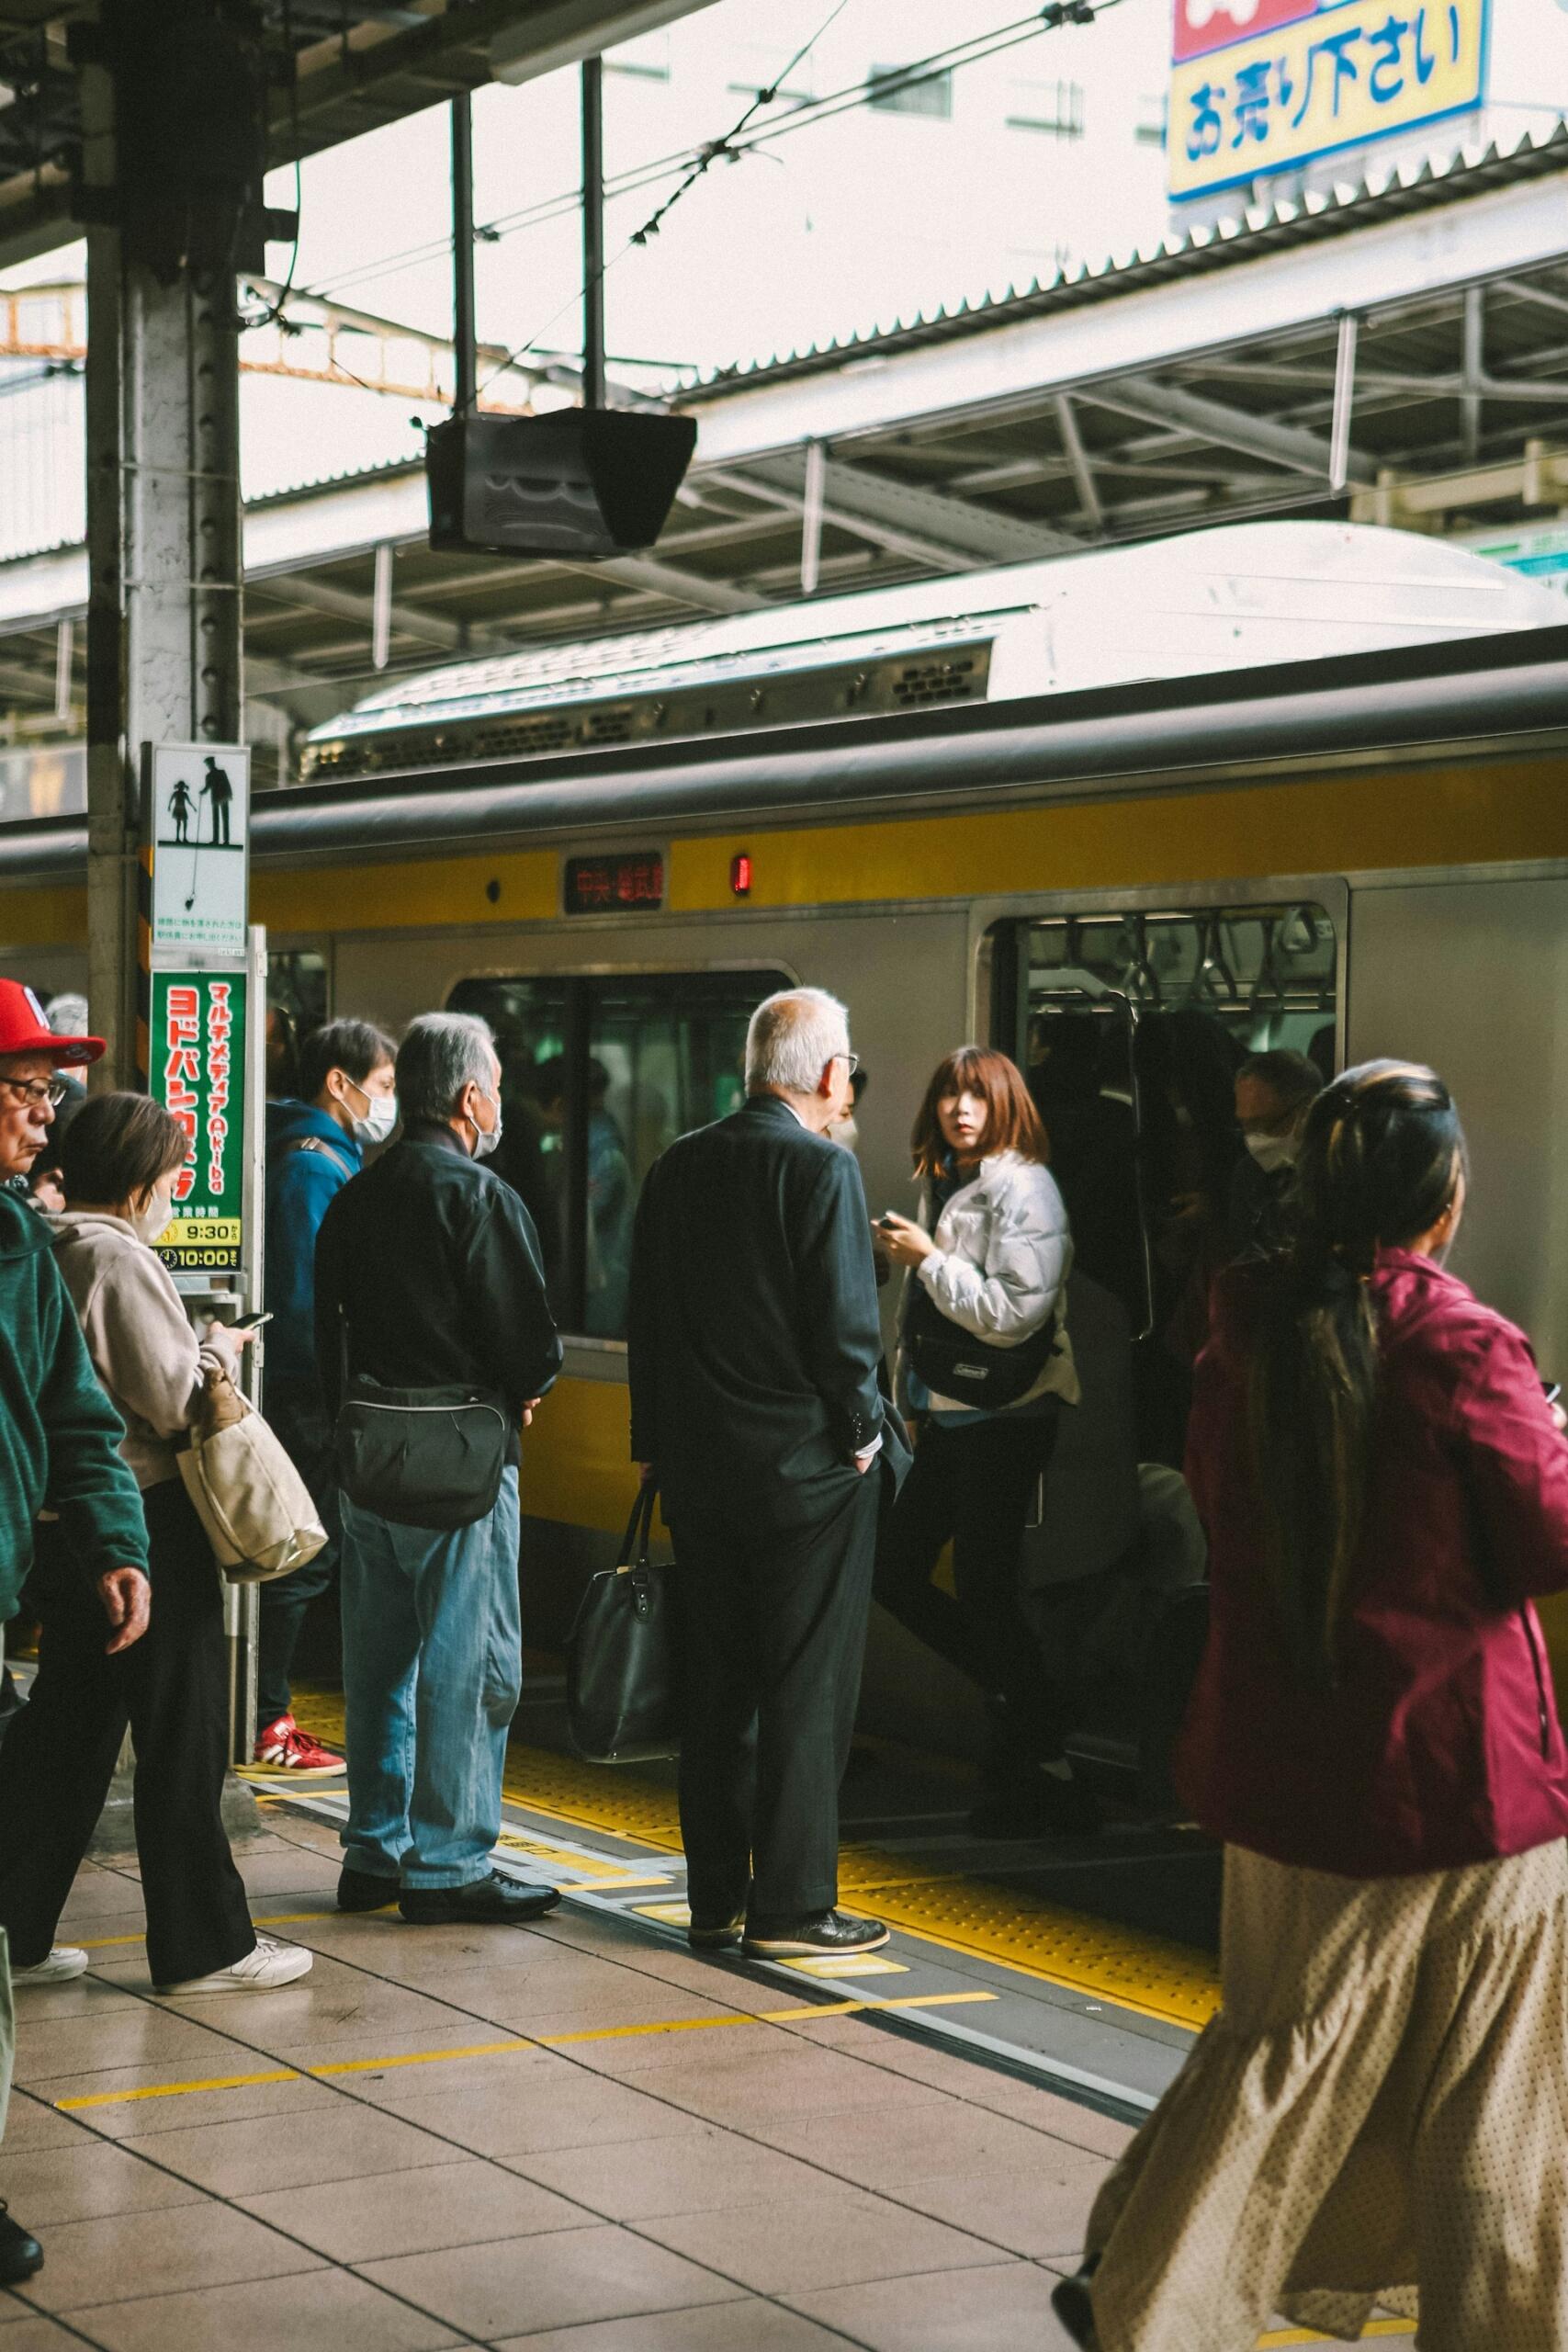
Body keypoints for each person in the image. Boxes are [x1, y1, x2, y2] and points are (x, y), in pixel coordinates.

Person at [1055, 1061, 1568, 2351]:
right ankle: (1488, 2328)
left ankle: (1138, 2274)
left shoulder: (1248, 1328)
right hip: (1456, 1785)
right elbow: (1544, 1536)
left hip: (1276, 1767)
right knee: (1489, 2101)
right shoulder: (1458, 1346)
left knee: (1274, 2043)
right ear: (1441, 1200)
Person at [0, 1090, 314, 2001]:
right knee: (181, 1728)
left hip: (68, 1527)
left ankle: (16, 1927)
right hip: (142, 1521)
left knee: (72, 1730)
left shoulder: (40, 1243)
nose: (176, 1189)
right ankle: (205, 1944)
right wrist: (213, 1351)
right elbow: (169, 1399)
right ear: (141, 1181)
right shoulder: (113, 1257)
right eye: (174, 1174)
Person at [627, 986, 911, 1961]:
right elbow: (844, 1330)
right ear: (830, 1074)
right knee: (804, 1687)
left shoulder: (677, 1165)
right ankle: (793, 1907)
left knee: (718, 1686)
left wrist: (656, 1445)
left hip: (700, 1476)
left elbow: (648, 1324)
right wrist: (866, 1430)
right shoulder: (821, 1169)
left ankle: (714, 1898)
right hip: (805, 1479)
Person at [315, 1012, 564, 1925]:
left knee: (378, 1659)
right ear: (470, 1096)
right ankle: (450, 1861)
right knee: (469, 1661)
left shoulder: (354, 1194)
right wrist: (522, 1390)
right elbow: (529, 1347)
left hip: (369, 1462)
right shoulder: (481, 1197)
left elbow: (325, 1336)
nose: (497, 1098)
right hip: (462, 1470)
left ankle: (374, 1850)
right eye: (495, 1081)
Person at [0, 983, 152, 2287]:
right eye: (22, 1087)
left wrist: (111, 1540)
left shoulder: (19, 1248)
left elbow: (79, 1414)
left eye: (47, 1091)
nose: (44, 1114)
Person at [874, 1046, 1093, 1837]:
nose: (959, 1109)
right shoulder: (952, 1183)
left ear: (1006, 1105)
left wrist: (928, 1260)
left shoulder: (1024, 1190)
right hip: (954, 1414)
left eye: (976, 1096)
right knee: (897, 1570)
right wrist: (908, 1399)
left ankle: (1036, 1734)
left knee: (981, 1584)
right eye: (947, 1097)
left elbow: (1011, 1316)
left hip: (1007, 1417)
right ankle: (1029, 1704)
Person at [257, 1016, 397, 1770]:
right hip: (303, 1389)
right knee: (301, 1548)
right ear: (338, 1083)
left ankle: (265, 1706)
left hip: (300, 1385)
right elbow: (310, 1296)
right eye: (380, 1087)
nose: (387, 1103)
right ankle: (267, 1714)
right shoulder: (315, 1167)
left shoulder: (320, 1152)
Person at [1227, 1046, 1320, 1257]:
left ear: (1306, 1111)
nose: (1254, 1139)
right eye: (1245, 1126)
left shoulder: (1342, 1172)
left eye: (1263, 1124)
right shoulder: (1248, 1175)